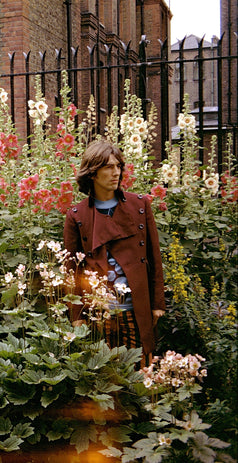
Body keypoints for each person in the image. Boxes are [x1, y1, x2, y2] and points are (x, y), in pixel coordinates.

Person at [63, 140, 165, 360]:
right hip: (98, 313)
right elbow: (72, 269)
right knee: (103, 380)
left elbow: (153, 257)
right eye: (109, 167)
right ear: (92, 173)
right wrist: (76, 314)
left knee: (140, 376)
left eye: (118, 166)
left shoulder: (139, 205)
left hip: (136, 309)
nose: (116, 172)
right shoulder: (77, 215)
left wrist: (157, 303)